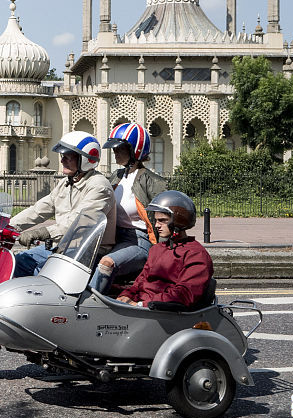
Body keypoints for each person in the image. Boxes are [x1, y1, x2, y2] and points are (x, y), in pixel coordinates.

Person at [11, 131, 116, 278]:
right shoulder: (67, 182)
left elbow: (78, 224)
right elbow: (39, 209)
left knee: (40, 275)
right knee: (18, 262)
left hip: (88, 252)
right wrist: (8, 225)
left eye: (67, 157)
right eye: (62, 156)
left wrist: (40, 233)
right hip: (63, 247)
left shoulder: (99, 187)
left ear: (85, 159)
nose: (62, 161)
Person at [93, 123, 168, 291]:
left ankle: (90, 303)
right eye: (114, 149)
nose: (115, 152)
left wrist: (162, 254)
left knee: (106, 264)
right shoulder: (116, 177)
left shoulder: (153, 182)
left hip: (139, 241)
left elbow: (165, 220)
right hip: (112, 238)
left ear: (135, 150)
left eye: (119, 149)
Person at [117, 190, 213, 308]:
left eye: (162, 220)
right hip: (142, 307)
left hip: (161, 312)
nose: (157, 225)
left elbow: (184, 294)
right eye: (156, 220)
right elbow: (140, 282)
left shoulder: (195, 254)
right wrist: (126, 296)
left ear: (178, 221)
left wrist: (142, 304)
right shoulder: (156, 249)